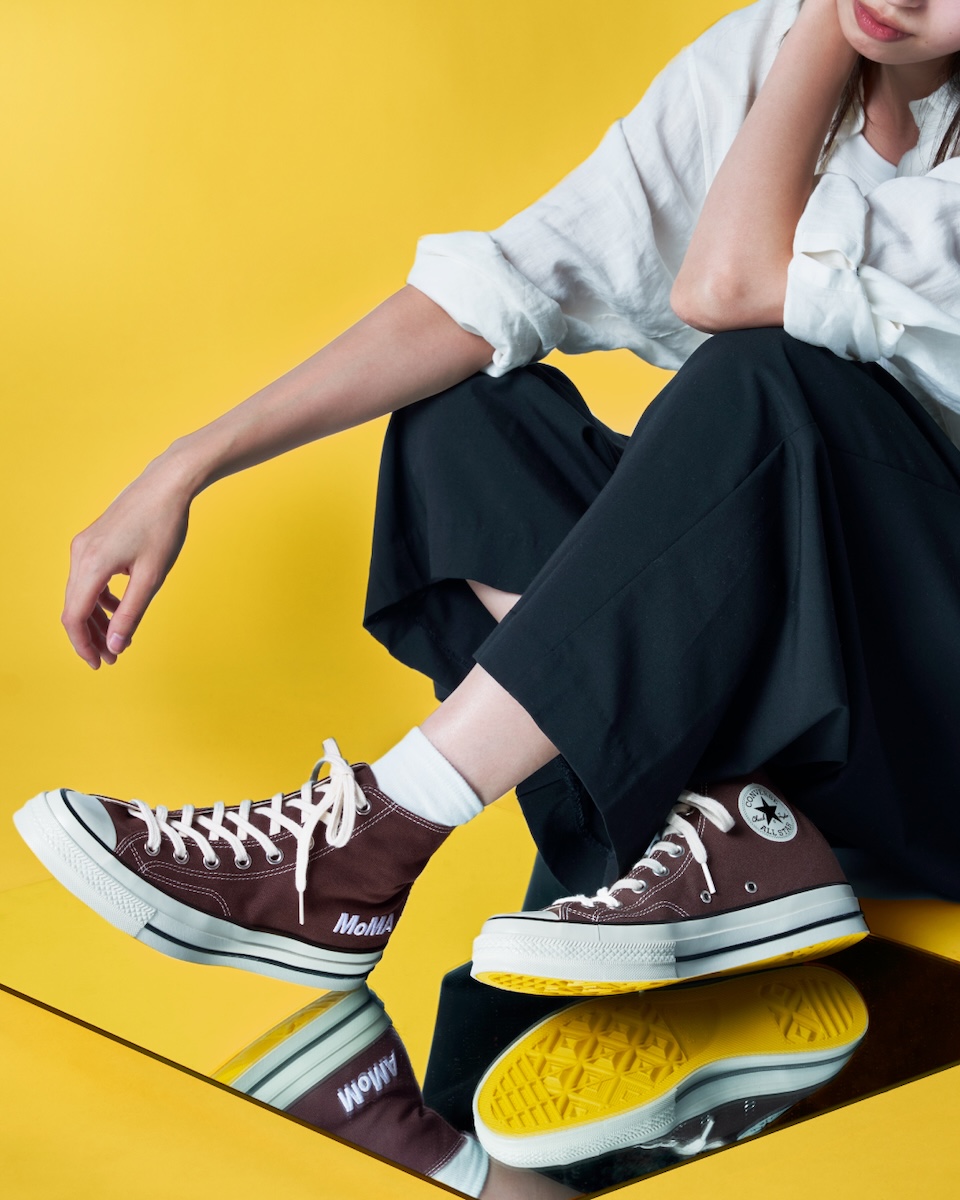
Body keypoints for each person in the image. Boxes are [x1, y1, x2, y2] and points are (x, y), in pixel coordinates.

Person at [15, 0, 960, 1046]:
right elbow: (504, 285)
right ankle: (734, 823)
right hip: (782, 694)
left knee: (771, 377)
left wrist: (826, 30)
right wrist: (187, 466)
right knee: (466, 420)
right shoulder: (762, 50)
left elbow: (726, 284)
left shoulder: (815, 43)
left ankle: (372, 841)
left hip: (929, 733)